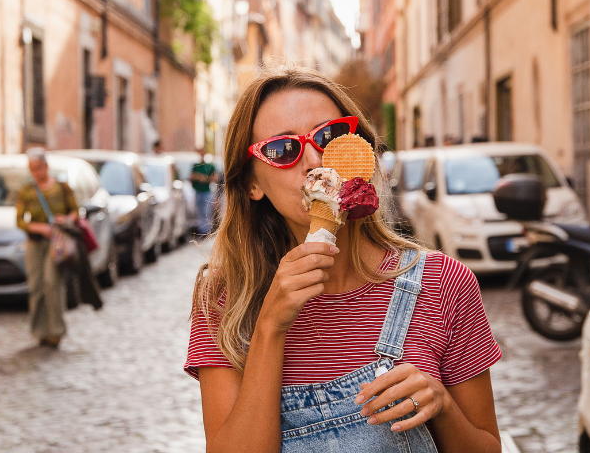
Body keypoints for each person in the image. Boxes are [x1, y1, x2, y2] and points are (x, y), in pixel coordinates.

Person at [184, 66, 503, 452]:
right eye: (283, 149)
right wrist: (270, 327)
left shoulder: (443, 283)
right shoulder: (224, 298)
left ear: (361, 152)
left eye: (329, 135)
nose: (315, 159)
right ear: (252, 184)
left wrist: (442, 406)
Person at [16, 148, 79, 348]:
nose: (36, 172)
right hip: (35, 242)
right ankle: (40, 331)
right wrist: (37, 227)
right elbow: (19, 220)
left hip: (57, 240)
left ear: (46, 166)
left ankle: (57, 331)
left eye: (38, 168)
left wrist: (66, 219)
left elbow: (76, 212)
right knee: (36, 285)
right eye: (32, 169)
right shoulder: (26, 191)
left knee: (52, 282)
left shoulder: (62, 188)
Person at [191, 148, 217, 235]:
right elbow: (192, 177)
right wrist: (202, 177)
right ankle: (201, 230)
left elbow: (214, 178)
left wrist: (202, 178)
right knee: (200, 211)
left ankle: (207, 230)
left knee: (207, 211)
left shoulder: (209, 166)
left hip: (206, 191)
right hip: (198, 191)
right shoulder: (196, 165)